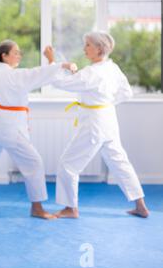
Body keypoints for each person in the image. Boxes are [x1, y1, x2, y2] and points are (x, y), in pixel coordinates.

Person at [0, 39, 76, 219]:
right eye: (16, 52)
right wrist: (61, 64)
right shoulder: (14, 76)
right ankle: (37, 208)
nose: (19, 55)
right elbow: (38, 73)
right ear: (5, 56)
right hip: (12, 125)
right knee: (33, 163)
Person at [48, 31, 149, 219]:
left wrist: (52, 61)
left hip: (94, 123)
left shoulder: (91, 72)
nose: (84, 48)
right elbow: (126, 93)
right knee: (120, 162)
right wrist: (105, 102)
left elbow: (60, 82)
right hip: (108, 117)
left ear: (99, 49)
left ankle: (70, 208)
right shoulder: (112, 68)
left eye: (87, 45)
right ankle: (140, 205)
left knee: (68, 164)